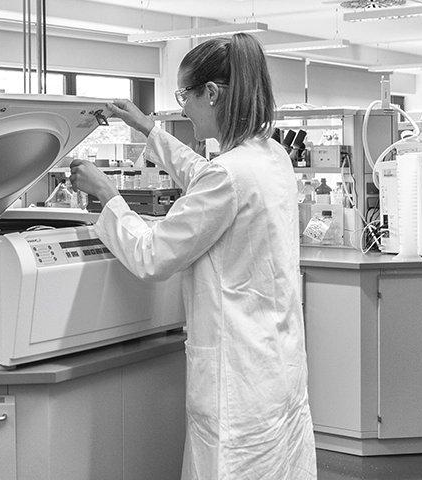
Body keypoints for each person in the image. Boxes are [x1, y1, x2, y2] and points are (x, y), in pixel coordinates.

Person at [70, 33, 317, 480]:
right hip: (275, 366)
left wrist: (108, 196)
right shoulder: (271, 156)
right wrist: (149, 130)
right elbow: (207, 176)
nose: (183, 108)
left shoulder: (229, 174)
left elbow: (151, 256)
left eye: (185, 96)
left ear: (212, 93)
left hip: (237, 378)